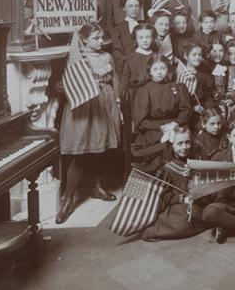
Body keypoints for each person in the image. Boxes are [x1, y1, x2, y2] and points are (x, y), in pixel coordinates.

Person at [55, 23, 122, 224]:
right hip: (83, 107)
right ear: (84, 40)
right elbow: (60, 84)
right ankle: (68, 198)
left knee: (100, 148)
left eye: (102, 37)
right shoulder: (76, 59)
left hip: (104, 103)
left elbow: (115, 79)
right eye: (96, 38)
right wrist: (76, 87)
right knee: (80, 153)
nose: (101, 41)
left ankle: (96, 187)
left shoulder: (107, 57)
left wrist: (117, 103)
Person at [131, 54, 193, 174]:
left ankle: (185, 172)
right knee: (165, 144)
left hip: (176, 123)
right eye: (155, 69)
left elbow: (186, 110)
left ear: (168, 69)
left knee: (185, 139)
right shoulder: (145, 90)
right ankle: (165, 173)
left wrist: (176, 123)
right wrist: (161, 127)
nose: (159, 72)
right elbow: (141, 121)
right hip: (154, 128)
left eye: (162, 68)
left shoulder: (177, 86)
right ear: (150, 71)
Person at [179, 43, 217, 118]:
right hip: (187, 111)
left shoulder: (204, 75)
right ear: (186, 56)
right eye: (194, 55)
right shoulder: (180, 74)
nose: (197, 57)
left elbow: (209, 96)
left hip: (204, 109)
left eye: (200, 55)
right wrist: (193, 107)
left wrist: (207, 109)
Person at [109, 0, 143, 70]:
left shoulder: (144, 28)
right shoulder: (116, 30)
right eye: (130, 6)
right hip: (127, 69)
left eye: (137, 6)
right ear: (123, 8)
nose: (134, 9)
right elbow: (118, 54)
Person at [119, 23, 155, 94]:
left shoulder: (156, 57)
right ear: (135, 39)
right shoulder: (130, 58)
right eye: (141, 38)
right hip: (136, 93)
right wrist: (120, 95)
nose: (145, 40)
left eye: (148, 37)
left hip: (154, 91)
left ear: (153, 38)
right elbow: (124, 79)